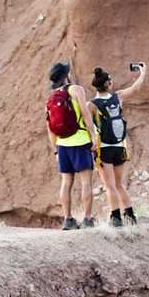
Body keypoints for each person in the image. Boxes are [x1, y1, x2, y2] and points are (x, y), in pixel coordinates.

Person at [89, 63, 146, 227]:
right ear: (108, 84)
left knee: (109, 185)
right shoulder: (118, 97)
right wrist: (143, 71)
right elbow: (136, 87)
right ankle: (130, 217)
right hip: (120, 146)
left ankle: (115, 218)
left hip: (104, 148)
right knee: (119, 184)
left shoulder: (91, 105)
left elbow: (85, 123)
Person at [46, 61, 100, 230]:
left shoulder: (52, 97)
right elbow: (85, 114)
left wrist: (56, 149)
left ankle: (68, 219)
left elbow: (49, 127)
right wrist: (93, 135)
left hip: (62, 144)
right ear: (66, 76)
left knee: (66, 182)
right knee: (85, 182)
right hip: (80, 141)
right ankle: (87, 219)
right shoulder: (76, 90)